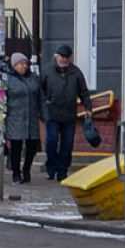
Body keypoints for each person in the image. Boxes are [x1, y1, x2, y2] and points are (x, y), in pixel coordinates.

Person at [40, 43, 91, 181]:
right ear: (56, 57)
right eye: (62, 57)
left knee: (67, 145)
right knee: (51, 141)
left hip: (69, 114)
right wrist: (44, 107)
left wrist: (88, 108)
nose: (64, 59)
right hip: (52, 113)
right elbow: (41, 91)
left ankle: (62, 171)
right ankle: (51, 167)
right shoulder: (47, 71)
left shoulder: (76, 72)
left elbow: (84, 92)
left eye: (67, 57)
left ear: (71, 58)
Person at [1, 52, 42, 184]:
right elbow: (2, 99)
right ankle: (16, 173)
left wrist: (43, 113)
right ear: (14, 66)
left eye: (25, 63)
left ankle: (26, 169)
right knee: (16, 146)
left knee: (32, 145)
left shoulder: (34, 78)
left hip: (31, 116)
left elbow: (40, 96)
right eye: (20, 64)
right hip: (15, 117)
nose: (24, 66)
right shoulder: (8, 79)